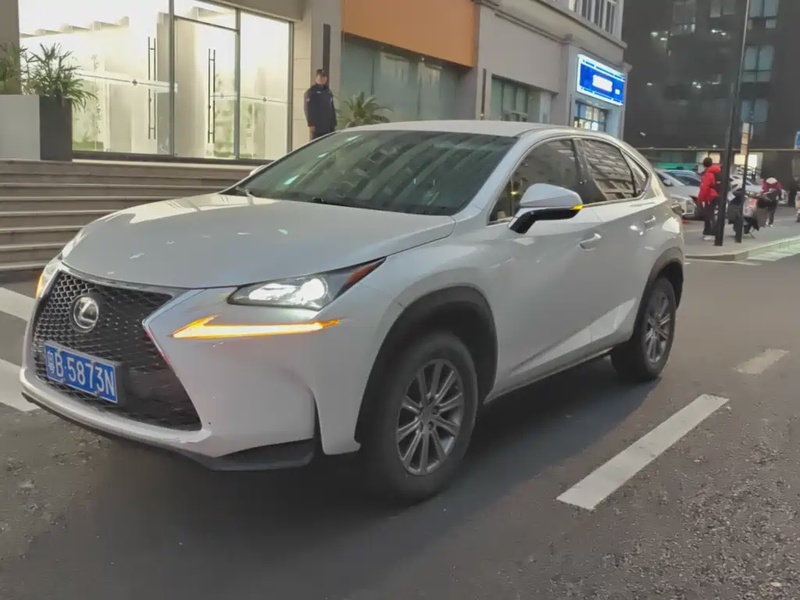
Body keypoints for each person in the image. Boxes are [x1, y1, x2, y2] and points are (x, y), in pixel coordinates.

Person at [304, 69, 336, 140]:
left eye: (324, 77)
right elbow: (308, 109)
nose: (322, 79)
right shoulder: (312, 92)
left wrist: (334, 122)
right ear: (316, 78)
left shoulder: (328, 91)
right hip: (318, 126)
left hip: (328, 126)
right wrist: (311, 123)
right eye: (320, 77)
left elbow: (332, 108)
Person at [697, 157, 722, 240]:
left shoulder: (708, 174)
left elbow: (704, 188)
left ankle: (711, 232)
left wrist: (700, 199)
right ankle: (711, 231)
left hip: (710, 196)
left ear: (704, 165)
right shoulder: (717, 171)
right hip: (716, 195)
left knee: (708, 214)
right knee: (711, 214)